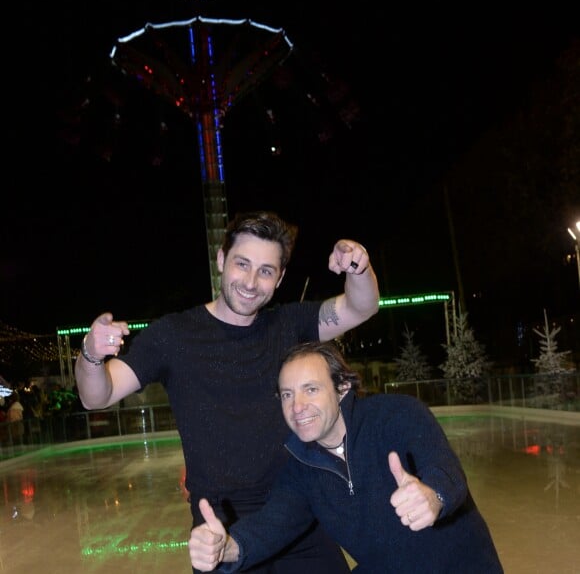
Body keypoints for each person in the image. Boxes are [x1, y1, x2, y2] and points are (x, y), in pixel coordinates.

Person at [74, 210, 380, 573]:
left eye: (266, 271)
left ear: (280, 278)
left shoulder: (288, 325)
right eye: (242, 264)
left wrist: (358, 267)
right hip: (219, 533)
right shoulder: (173, 336)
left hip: (299, 521)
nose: (251, 281)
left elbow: (362, 305)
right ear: (221, 260)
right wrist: (91, 354)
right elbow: (97, 396)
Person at [188, 340, 504, 574]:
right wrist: (229, 547)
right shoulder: (300, 467)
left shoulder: (396, 415)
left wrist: (434, 496)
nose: (297, 406)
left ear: (341, 388)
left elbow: (443, 467)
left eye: (310, 389)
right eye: (287, 394)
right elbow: (273, 524)